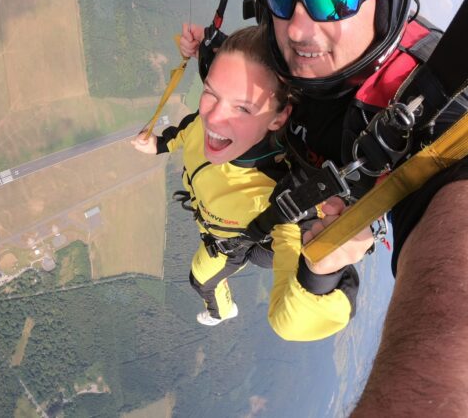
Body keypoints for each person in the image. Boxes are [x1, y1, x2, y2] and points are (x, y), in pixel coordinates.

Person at [179, 0, 468, 415]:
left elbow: (463, 214)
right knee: (206, 271)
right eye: (283, 1)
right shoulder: (288, 48)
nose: (299, 28)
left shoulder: (419, 98)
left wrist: (321, 271)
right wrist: (210, 53)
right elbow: (250, 68)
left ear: (384, 2)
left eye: (330, 2)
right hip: (257, 196)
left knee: (242, 278)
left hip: (297, 229)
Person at [133, 26, 372, 339]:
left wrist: (321, 275)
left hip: (232, 245)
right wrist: (160, 144)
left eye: (242, 108)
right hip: (226, 228)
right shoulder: (201, 125)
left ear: (278, 118)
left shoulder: (280, 195)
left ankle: (222, 311)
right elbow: (187, 129)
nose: (215, 118)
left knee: (201, 281)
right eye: (210, 93)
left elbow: (294, 320)